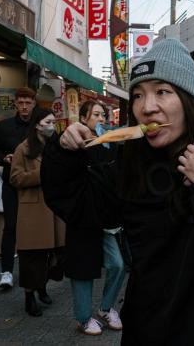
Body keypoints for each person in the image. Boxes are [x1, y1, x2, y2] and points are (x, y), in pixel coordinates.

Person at [41, 38, 194, 344]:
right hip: (146, 327)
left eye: (162, 92)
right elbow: (79, 205)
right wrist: (64, 154)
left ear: (190, 101)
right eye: (138, 95)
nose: (147, 107)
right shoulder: (132, 161)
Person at [67, 100, 125, 335]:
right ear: (83, 118)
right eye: (97, 115)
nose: (102, 119)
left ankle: (106, 307)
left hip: (107, 218)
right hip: (83, 218)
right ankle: (83, 318)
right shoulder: (72, 143)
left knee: (118, 264)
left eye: (104, 115)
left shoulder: (108, 144)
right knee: (83, 268)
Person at [10, 107, 65, 317]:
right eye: (48, 122)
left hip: (55, 209)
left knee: (59, 257)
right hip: (34, 210)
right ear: (36, 125)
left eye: (53, 122)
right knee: (33, 259)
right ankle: (30, 295)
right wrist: (41, 173)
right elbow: (16, 178)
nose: (52, 126)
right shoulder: (23, 149)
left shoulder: (57, 146)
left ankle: (42, 285)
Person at [0, 86, 36, 289]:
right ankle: (6, 271)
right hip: (11, 182)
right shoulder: (5, 126)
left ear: (33, 104)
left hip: (35, 184)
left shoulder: (40, 126)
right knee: (11, 226)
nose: (24, 107)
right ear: (15, 103)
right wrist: (3, 158)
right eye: (21, 102)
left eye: (28, 103)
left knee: (34, 228)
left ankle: (34, 274)